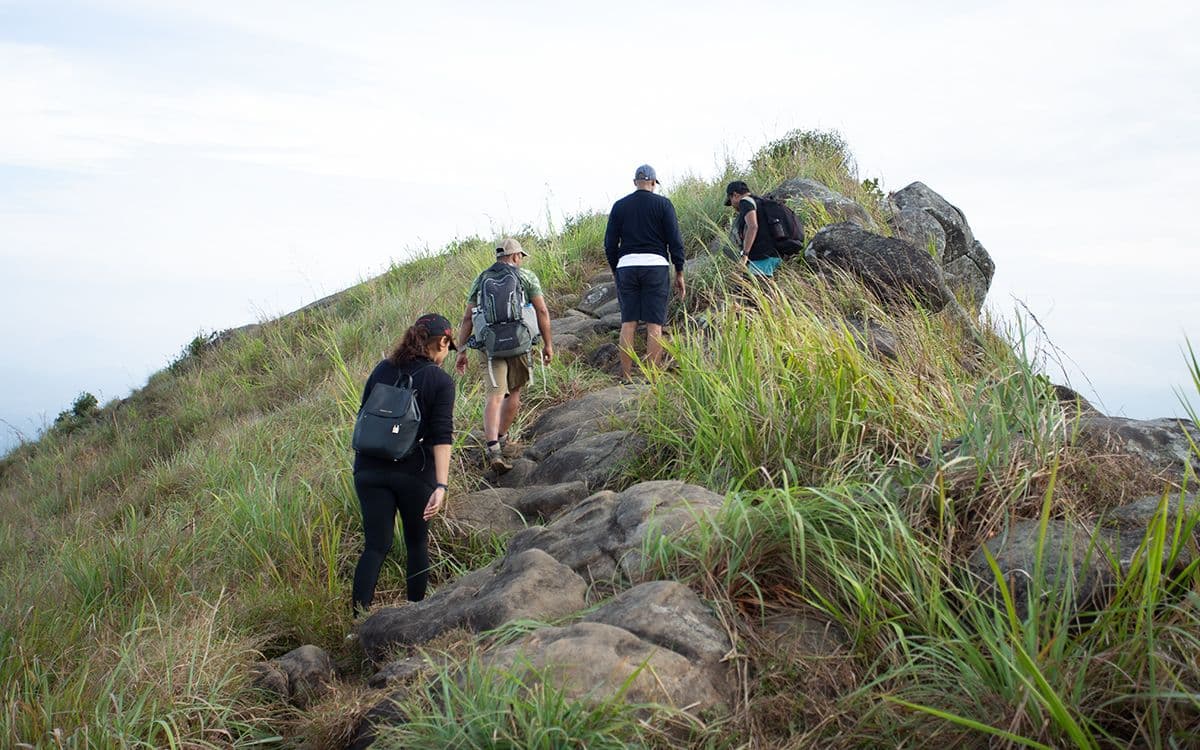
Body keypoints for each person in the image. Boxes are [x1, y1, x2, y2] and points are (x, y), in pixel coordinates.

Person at [351, 313, 457, 615]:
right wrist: (441, 484)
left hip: (369, 469)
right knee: (416, 544)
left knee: (375, 546)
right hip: (413, 473)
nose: (447, 355)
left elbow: (364, 417)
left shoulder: (383, 368)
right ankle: (415, 615)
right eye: (449, 347)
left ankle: (359, 621)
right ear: (443, 341)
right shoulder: (440, 380)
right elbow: (442, 435)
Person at [455, 238, 553, 473]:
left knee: (494, 396)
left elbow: (468, 318)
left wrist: (461, 350)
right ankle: (501, 437)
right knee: (515, 393)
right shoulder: (526, 277)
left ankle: (493, 448)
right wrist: (548, 344)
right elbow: (541, 310)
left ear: (498, 256)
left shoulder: (481, 279)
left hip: (491, 345)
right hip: (519, 342)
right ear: (516, 256)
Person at [603, 164, 687, 380]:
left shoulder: (620, 206)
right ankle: (652, 377)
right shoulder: (663, 204)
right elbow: (675, 240)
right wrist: (679, 271)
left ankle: (626, 376)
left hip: (627, 266)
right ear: (653, 183)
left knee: (628, 322)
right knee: (654, 324)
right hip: (656, 265)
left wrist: (616, 268)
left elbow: (610, 243)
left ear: (635, 183)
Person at [725, 180, 782, 278]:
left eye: (731, 201)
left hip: (763, 258)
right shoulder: (759, 201)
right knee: (748, 289)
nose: (733, 206)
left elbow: (753, 226)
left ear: (735, 195)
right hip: (772, 255)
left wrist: (745, 254)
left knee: (753, 290)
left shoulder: (745, 202)